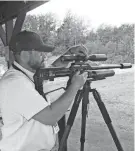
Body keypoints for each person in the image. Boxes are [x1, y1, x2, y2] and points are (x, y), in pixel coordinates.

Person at [0, 30, 88, 151]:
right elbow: (51, 116)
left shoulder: (27, 75)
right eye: (40, 52)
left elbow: (52, 70)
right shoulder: (15, 83)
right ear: (26, 54)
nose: (44, 56)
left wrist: (70, 53)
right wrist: (74, 86)